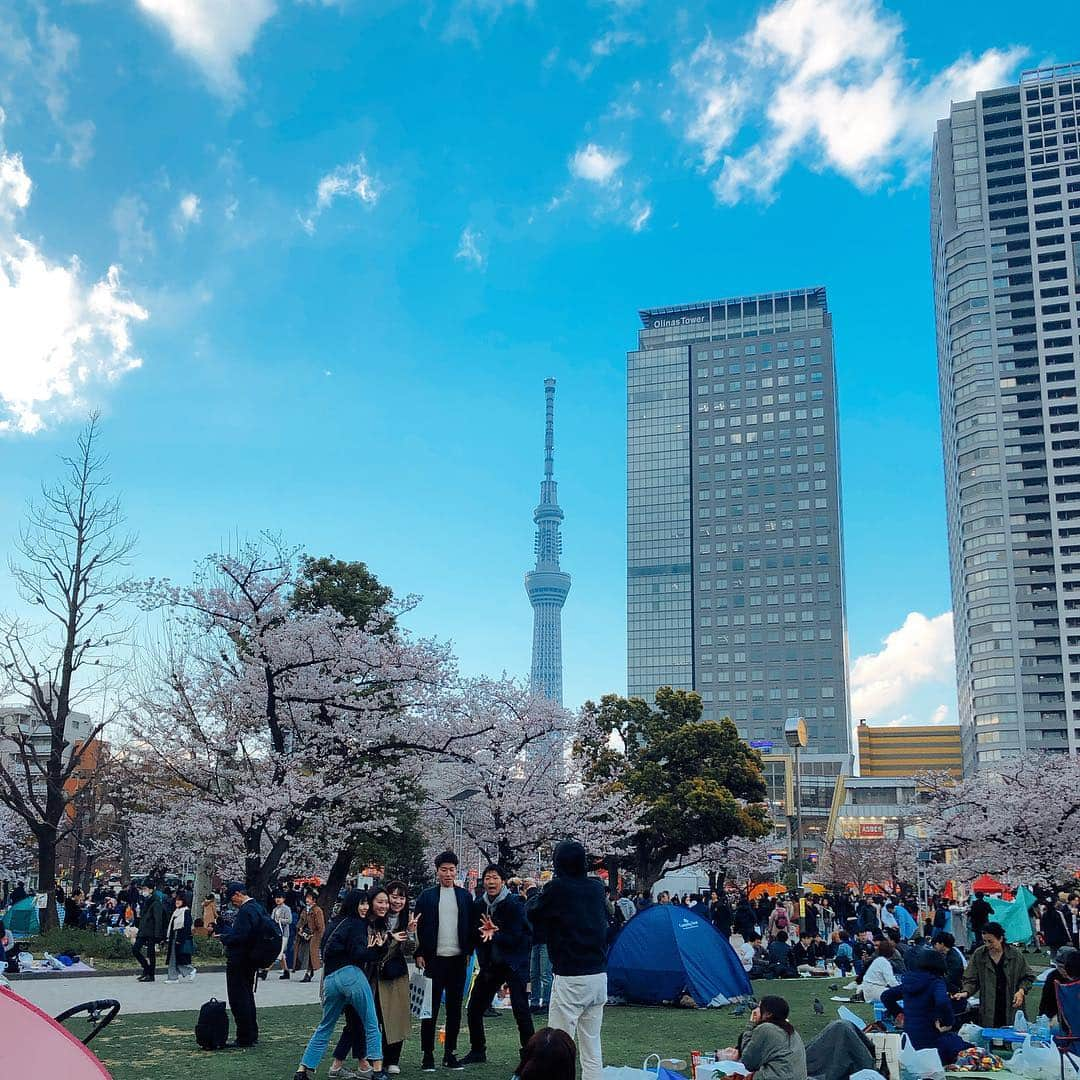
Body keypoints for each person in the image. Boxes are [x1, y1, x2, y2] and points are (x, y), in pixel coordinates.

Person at [526, 839, 609, 1080]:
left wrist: (533, 890)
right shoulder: (596, 887)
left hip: (571, 977)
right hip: (598, 976)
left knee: (557, 1045)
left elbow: (533, 911)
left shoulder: (557, 888)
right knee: (592, 1045)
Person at [294, 889, 386, 1080]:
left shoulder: (335, 923)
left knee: (325, 1026)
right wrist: (379, 949)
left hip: (329, 979)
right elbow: (358, 954)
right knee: (371, 1021)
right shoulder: (357, 924)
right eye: (361, 903)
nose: (365, 908)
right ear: (353, 905)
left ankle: (303, 1069)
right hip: (351, 975)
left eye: (366, 904)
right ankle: (377, 1069)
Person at [458, 864, 534, 1066]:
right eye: (487, 878)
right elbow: (474, 934)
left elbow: (520, 937)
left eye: (494, 877)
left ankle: (530, 1055)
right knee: (475, 1008)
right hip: (491, 964)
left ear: (502, 881)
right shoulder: (478, 905)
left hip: (513, 963)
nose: (490, 882)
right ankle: (477, 1050)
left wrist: (496, 933)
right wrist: (477, 940)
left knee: (520, 1010)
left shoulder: (514, 903)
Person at [413, 850, 473, 1072]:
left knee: (455, 1010)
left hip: (458, 961)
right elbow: (416, 927)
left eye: (452, 870)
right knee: (430, 1009)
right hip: (433, 960)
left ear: (456, 871)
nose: (448, 874)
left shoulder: (465, 896)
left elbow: (472, 926)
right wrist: (419, 952)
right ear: (437, 871)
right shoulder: (426, 896)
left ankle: (450, 1053)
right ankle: (427, 1054)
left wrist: (470, 950)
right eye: (444, 870)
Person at [881, 948, 963, 1062]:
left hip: (908, 1042)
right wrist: (948, 1022)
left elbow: (886, 996)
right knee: (959, 1043)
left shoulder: (909, 982)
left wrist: (899, 1013)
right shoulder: (936, 982)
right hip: (931, 1040)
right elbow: (942, 1001)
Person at [956, 921, 1036, 1028]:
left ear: (1000, 939)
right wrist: (965, 992)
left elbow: (1028, 977)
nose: (988, 945)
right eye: (985, 941)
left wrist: (1021, 991)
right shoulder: (979, 955)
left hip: (1011, 1004)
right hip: (989, 1007)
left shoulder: (1015, 955)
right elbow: (971, 979)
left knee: (1011, 1036)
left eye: (991, 941)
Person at [216, 881, 267, 1048]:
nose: (233, 903)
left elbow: (241, 936)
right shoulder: (258, 908)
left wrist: (224, 938)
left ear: (238, 894)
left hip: (239, 959)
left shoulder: (246, 911)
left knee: (238, 999)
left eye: (233, 899)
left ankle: (244, 1036)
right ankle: (252, 1034)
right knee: (248, 996)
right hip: (251, 959)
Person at [718, 994, 807, 1080]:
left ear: (768, 1014)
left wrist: (751, 1023)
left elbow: (748, 1062)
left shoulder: (766, 1029)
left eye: (759, 1007)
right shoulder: (791, 1030)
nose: (756, 1009)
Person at [380, 881, 416, 1074]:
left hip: (396, 973)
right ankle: (376, 1058)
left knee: (397, 1016)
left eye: (401, 897)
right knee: (378, 1017)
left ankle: (393, 1059)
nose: (397, 901)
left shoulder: (405, 920)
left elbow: (410, 950)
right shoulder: (377, 916)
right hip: (376, 973)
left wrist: (410, 932)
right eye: (393, 896)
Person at [132, 882, 166, 982]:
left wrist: (157, 935)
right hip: (143, 930)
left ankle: (151, 974)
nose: (143, 891)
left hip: (151, 931)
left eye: (145, 889)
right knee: (135, 949)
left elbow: (158, 919)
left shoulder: (156, 902)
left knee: (151, 954)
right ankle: (146, 969)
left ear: (151, 890)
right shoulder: (146, 900)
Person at [1038, 947, 1080, 1023]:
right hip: (1058, 1018)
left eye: (1064, 967)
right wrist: (1044, 1018)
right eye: (1059, 966)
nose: (1062, 971)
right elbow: (1045, 1001)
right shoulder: (1053, 977)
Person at [294, 890, 325, 983]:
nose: (307, 900)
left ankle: (308, 973)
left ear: (314, 900)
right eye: (307, 898)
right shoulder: (305, 909)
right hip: (304, 935)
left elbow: (321, 926)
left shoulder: (317, 910)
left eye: (310, 898)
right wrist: (299, 928)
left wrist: (315, 935)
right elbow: (301, 921)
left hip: (314, 935)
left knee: (311, 955)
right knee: (302, 953)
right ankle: (307, 971)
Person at [165, 894, 196, 982]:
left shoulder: (185, 911)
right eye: (176, 900)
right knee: (173, 958)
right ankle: (173, 977)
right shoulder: (176, 911)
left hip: (180, 938)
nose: (177, 902)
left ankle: (189, 970)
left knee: (177, 958)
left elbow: (186, 927)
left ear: (184, 902)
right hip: (174, 937)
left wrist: (180, 939)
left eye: (179, 900)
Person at [860, 939, 900, 1003]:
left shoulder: (878, 960)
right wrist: (901, 989)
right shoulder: (885, 963)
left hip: (868, 990)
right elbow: (891, 981)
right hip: (875, 991)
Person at [271, 892, 293, 979]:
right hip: (277, 933)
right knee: (281, 953)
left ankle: (265, 970)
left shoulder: (286, 909)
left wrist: (280, 920)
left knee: (278, 952)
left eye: (279, 897)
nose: (277, 899)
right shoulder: (275, 909)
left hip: (284, 933)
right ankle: (286, 972)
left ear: (283, 899)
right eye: (276, 897)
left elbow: (289, 920)